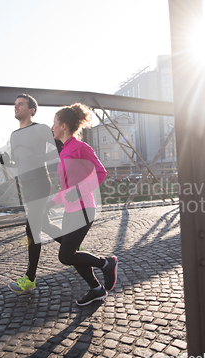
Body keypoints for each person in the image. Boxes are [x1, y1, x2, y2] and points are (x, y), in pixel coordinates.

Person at [49, 103, 118, 306]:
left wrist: (80, 191)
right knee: (74, 253)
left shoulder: (80, 147)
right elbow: (66, 187)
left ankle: (106, 263)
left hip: (84, 208)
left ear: (63, 125)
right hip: (70, 209)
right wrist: (53, 203)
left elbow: (101, 172)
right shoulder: (64, 151)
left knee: (66, 255)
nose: (51, 127)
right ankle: (96, 289)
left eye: (54, 123)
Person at [5, 94, 63, 294]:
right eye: (15, 104)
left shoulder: (40, 129)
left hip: (40, 182)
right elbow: (20, 161)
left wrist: (41, 157)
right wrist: (8, 162)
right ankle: (74, 248)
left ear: (32, 110)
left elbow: (60, 146)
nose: (16, 106)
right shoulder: (13, 135)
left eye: (20, 104)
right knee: (44, 224)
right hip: (26, 186)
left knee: (32, 230)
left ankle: (30, 278)